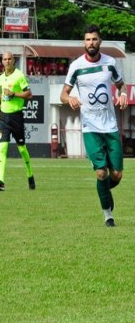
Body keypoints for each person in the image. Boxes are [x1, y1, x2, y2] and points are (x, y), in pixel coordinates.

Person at [60, 25, 128, 227]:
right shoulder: (76, 66)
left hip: (110, 126)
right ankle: (108, 214)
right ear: (84, 42)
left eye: (94, 39)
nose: (91, 43)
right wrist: (69, 98)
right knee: (101, 173)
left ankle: (104, 190)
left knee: (116, 175)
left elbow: (121, 84)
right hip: (90, 127)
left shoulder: (110, 63)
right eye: (88, 39)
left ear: (100, 42)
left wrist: (123, 94)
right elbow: (63, 94)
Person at [0, 52, 35, 191]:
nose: (7, 61)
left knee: (22, 149)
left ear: (13, 60)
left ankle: (30, 175)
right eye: (5, 59)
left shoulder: (19, 75)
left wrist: (14, 94)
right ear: (2, 61)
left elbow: (29, 94)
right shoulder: (0, 78)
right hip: (4, 117)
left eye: (9, 59)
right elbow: (1, 94)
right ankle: (1, 181)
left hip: (16, 117)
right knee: (2, 148)